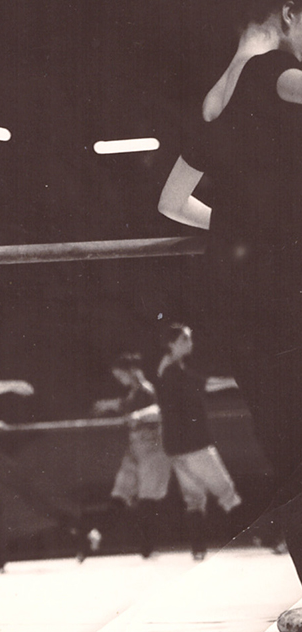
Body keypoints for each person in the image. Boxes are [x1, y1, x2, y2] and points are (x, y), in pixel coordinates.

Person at [157, 0, 302, 606]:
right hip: (291, 292)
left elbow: (170, 202)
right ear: (289, 17)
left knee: (289, 457)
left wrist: (243, 226)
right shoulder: (288, 81)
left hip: (248, 308)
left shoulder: (215, 109)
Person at [0, 336, 94, 575]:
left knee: (9, 502)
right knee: (18, 498)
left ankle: (79, 533)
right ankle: (80, 532)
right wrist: (15, 385)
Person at [155, 324, 242, 561]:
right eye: (185, 339)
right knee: (226, 492)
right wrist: (236, 381)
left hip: (176, 447)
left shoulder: (167, 369)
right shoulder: (173, 371)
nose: (190, 343)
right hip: (194, 445)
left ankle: (198, 550)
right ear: (172, 344)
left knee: (194, 499)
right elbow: (206, 385)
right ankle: (265, 538)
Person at [94, 352, 171, 558]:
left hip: (150, 447)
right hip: (137, 447)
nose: (120, 380)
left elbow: (154, 410)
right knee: (122, 491)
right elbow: (129, 405)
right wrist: (110, 404)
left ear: (132, 372)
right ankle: (99, 533)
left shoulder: (146, 390)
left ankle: (145, 546)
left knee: (146, 496)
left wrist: (126, 411)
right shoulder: (135, 392)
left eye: (121, 376)